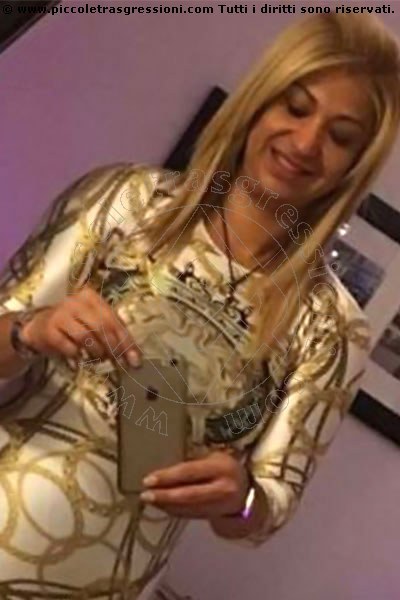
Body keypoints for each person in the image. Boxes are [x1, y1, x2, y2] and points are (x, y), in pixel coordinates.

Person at [0, 12, 399, 600]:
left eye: (341, 137)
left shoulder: (331, 327)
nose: (306, 143)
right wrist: (30, 331)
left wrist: (238, 498)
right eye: (295, 107)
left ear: (355, 165)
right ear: (259, 101)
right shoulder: (125, 202)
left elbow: (264, 510)